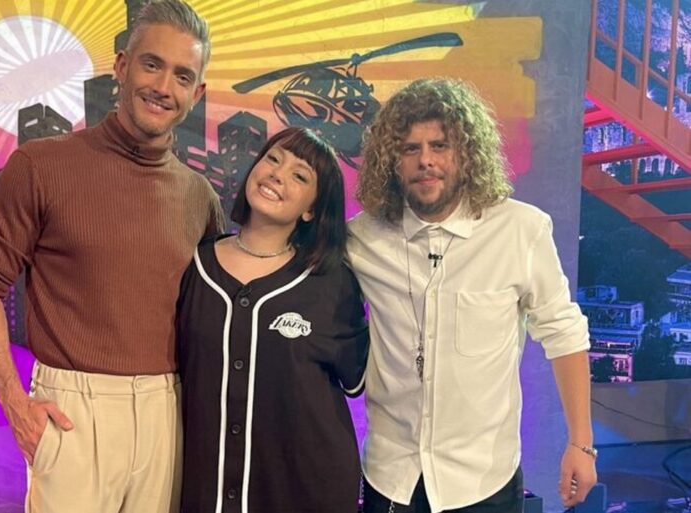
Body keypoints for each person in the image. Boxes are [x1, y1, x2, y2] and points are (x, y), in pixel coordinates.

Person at [0, 1, 221, 512]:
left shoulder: (201, 198)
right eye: (151, 64)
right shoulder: (41, 165)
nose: (163, 87)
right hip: (71, 414)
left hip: (170, 414)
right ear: (121, 66)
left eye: (182, 75)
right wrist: (14, 402)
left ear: (197, 93)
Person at [347, 77, 597, 513]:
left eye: (440, 145)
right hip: (391, 475)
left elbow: (565, 335)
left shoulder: (521, 230)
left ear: (466, 152)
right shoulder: (362, 237)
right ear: (392, 161)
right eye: (410, 148)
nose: (426, 160)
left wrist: (581, 443)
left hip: (484, 480)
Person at [176, 127, 369, 513]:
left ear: (311, 209)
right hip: (205, 491)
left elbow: (357, 379)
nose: (278, 175)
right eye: (273, 159)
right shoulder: (195, 264)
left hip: (305, 493)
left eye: (300, 176)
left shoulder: (331, 283)